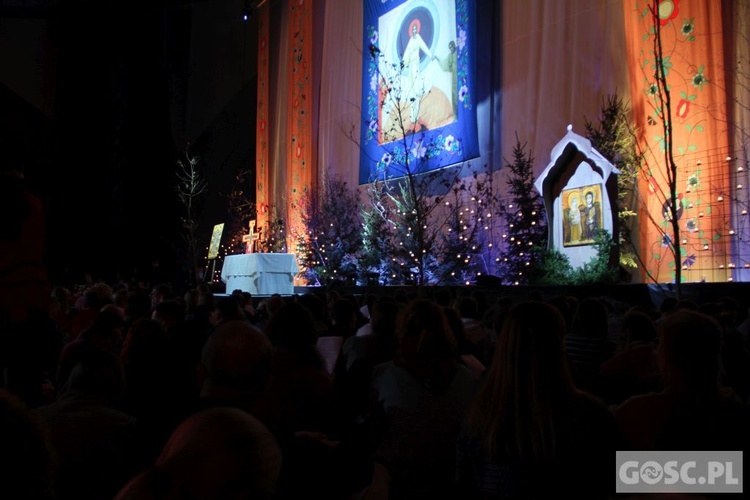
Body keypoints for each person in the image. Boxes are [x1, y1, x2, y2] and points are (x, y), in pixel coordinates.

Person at [456, 302, 620, 498]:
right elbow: (630, 478)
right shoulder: (591, 415)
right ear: (559, 343)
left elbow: (463, 484)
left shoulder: (479, 418)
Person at [402, 21, 433, 124]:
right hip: (411, 66)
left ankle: (417, 115)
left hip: (415, 66)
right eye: (413, 30)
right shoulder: (411, 40)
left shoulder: (418, 38)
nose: (414, 31)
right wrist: (403, 63)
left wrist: (430, 55)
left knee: (416, 89)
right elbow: (406, 53)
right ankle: (412, 117)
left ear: (417, 30)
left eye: (416, 29)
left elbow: (424, 46)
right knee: (411, 90)